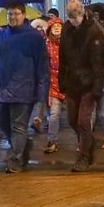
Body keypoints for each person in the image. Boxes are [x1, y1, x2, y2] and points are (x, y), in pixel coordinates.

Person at [0, 2, 48, 174]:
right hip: (3, 88)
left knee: (18, 126)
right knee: (2, 122)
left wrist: (41, 93)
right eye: (9, 14)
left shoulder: (33, 37)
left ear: (23, 14)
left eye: (16, 14)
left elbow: (42, 65)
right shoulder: (0, 35)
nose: (12, 17)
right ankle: (23, 145)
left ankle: (15, 159)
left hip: (24, 88)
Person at [59, 0, 104, 173]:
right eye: (70, 19)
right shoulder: (67, 29)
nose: (73, 22)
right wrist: (62, 82)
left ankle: (84, 157)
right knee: (72, 120)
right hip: (72, 81)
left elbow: (98, 64)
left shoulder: (95, 32)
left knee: (83, 121)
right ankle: (89, 143)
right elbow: (63, 58)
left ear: (82, 14)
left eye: (75, 19)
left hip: (89, 83)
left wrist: (97, 88)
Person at [43, 17, 66, 154]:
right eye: (54, 26)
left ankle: (82, 141)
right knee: (54, 114)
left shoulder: (69, 43)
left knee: (75, 117)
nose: (57, 28)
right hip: (53, 83)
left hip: (68, 82)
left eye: (59, 26)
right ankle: (52, 141)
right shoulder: (46, 45)